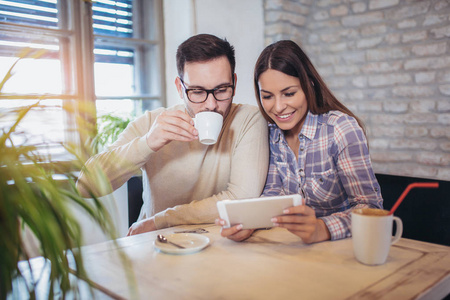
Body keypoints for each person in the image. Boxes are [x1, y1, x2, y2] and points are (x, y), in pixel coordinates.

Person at [76, 34, 269, 235]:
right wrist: (148, 143)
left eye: (221, 89)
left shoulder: (249, 119)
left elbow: (242, 198)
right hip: (155, 244)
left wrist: (163, 219)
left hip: (217, 245)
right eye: (197, 92)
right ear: (180, 87)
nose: (211, 104)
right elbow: (85, 186)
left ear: (234, 83)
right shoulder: (153, 123)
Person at [218, 40, 383, 243]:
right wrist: (247, 222)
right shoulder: (271, 134)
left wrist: (322, 228)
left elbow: (370, 207)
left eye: (289, 94)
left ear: (309, 86)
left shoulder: (340, 129)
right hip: (293, 250)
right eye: (267, 96)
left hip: (344, 250)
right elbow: (272, 194)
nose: (278, 107)